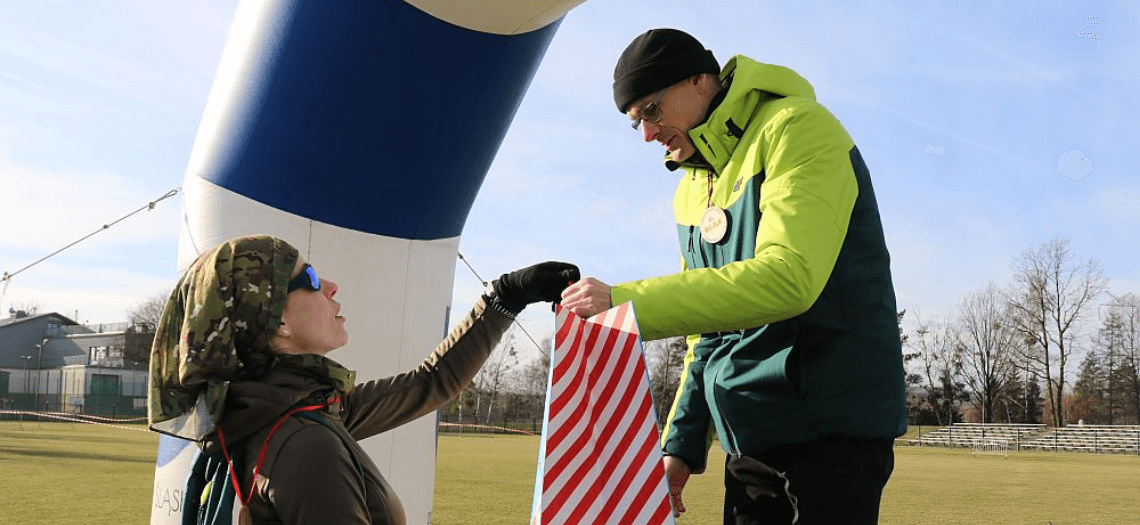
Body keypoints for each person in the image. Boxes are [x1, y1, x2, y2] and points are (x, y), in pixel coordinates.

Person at [559, 29, 907, 524]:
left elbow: (789, 278)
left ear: (700, 80)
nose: (647, 135)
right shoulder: (690, 189)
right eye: (635, 122)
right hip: (749, 437)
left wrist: (623, 304)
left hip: (830, 430)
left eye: (652, 111)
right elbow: (709, 337)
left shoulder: (799, 128)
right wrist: (679, 446)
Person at [148, 234, 577, 524]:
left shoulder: (290, 411)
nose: (331, 286)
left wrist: (506, 297)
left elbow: (432, 383)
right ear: (275, 319)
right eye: (311, 280)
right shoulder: (305, 443)